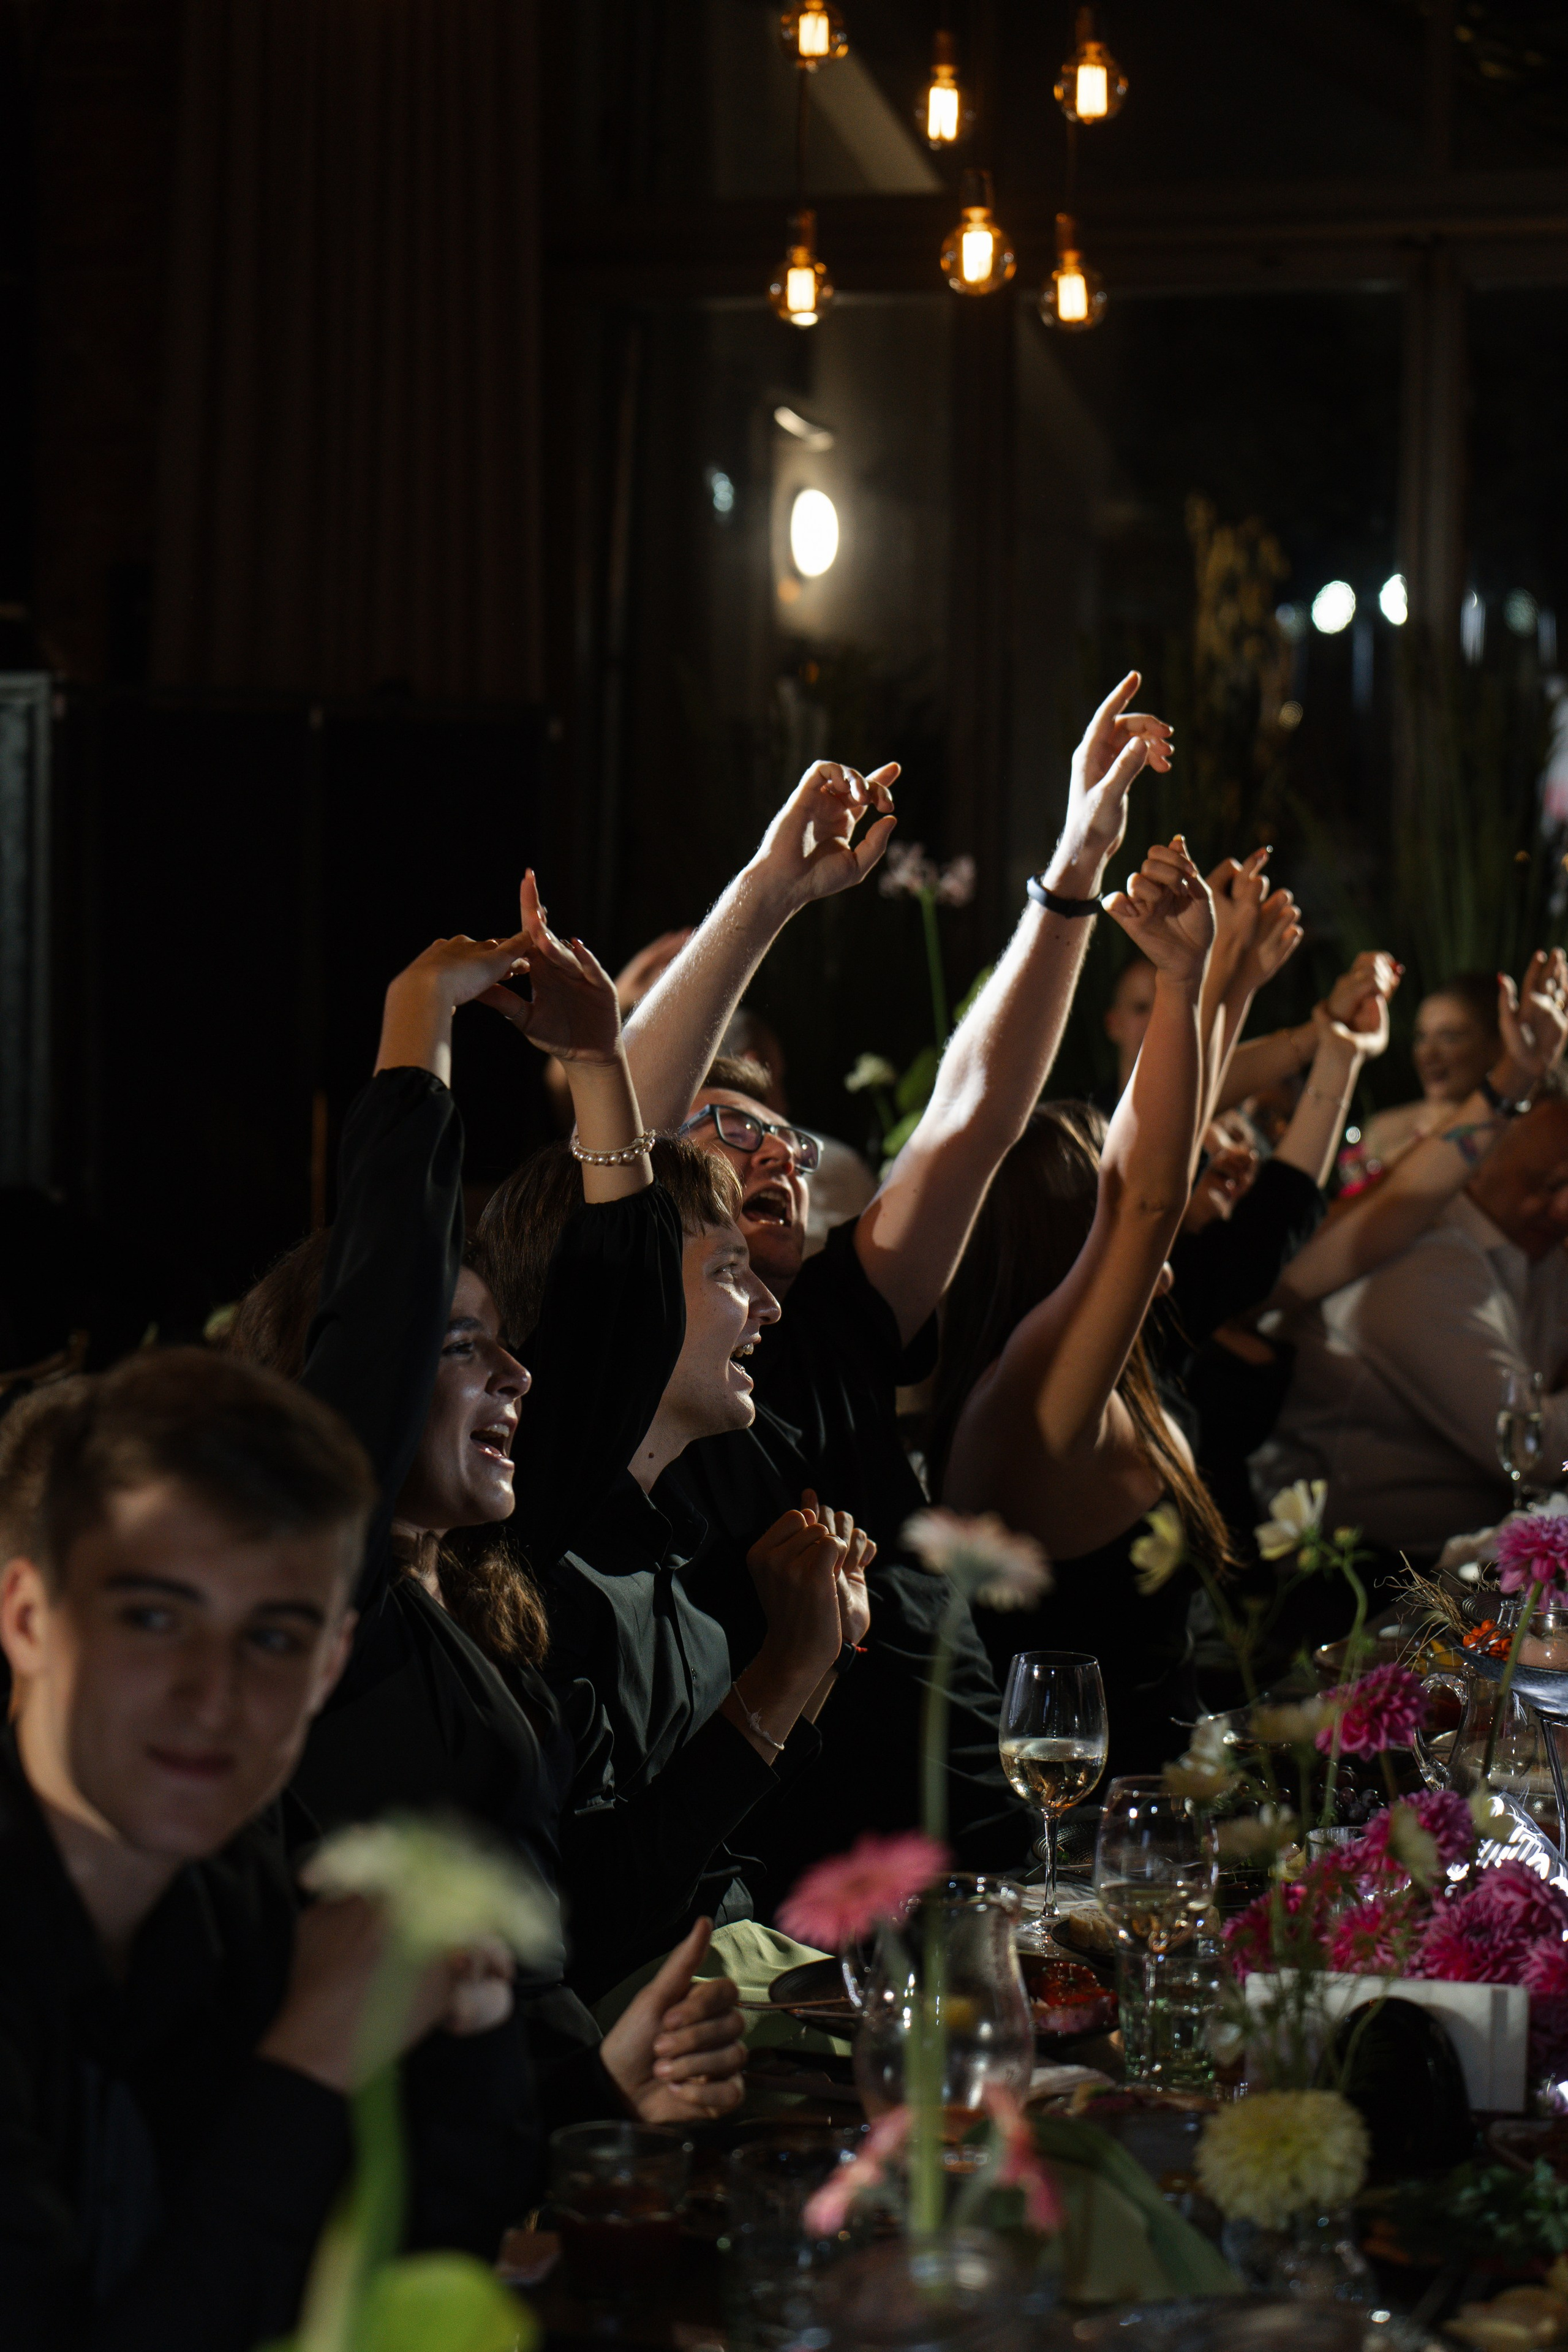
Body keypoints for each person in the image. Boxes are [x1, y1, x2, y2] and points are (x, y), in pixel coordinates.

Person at [606, 680, 1174, 1892]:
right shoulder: (631, 1367)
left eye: (789, 1146)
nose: (775, 1154)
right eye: (728, 1132)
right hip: (825, 1950)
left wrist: (1072, 864)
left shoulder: (821, 1330)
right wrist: (766, 895)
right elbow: (616, 1144)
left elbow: (971, 1119)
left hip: (1004, 1877)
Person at [232, 892, 748, 2100]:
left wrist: (595, 1063)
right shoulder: (323, 1609)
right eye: (460, 1347)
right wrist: (418, 1020)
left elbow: (623, 1327)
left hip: (540, 2131)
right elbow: (388, 1286)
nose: (515, 1369)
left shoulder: (473, 1578)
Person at [0, 1349, 540, 2348]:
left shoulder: (235, 1886)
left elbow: (402, 2271)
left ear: (330, 1663)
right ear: (30, 1620)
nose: (216, 1696)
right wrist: (310, 2065)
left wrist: (471, 2038)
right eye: (156, 1619)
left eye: (276, 1638)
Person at [477, 1133, 872, 2002]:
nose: (769, 1305)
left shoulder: (679, 1542)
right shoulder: (535, 1578)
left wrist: (825, 1653)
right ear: (636, 1299)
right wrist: (788, 1670)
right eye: (730, 1271)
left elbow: (726, 1843)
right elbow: (598, 1925)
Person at [929, 839, 1231, 1777]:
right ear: (1069, 1250)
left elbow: (1160, 1170)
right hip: (1092, 1849)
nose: (1155, 1265)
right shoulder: (1027, 1402)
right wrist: (1181, 983)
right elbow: (1145, 1204)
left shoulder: (1084, 1389)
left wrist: (1224, 979)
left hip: (1179, 1800)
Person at [1258, 959, 1568, 1559]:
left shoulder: (1538, 1248)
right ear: (1493, 1140)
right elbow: (1529, 1452)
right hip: (1367, 1574)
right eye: (1545, 1181)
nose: (1560, 1208)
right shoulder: (1423, 1254)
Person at [1346, 971, 1503, 1181]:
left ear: (1496, 1046)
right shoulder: (1381, 1133)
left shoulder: (1517, 1136)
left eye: (1449, 1037)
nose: (1427, 1054)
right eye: (1421, 1037)